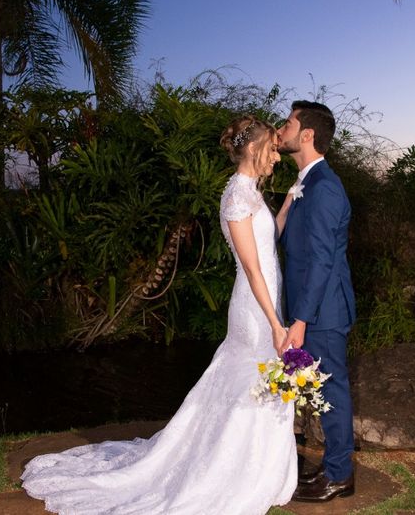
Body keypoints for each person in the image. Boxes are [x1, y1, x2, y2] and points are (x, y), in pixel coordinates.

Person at [21, 115, 296, 514]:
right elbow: (253, 269)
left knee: (253, 381)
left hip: (270, 299)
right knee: (248, 379)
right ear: (254, 149)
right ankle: (229, 470)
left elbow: (268, 242)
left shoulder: (252, 192)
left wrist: (288, 203)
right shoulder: (237, 196)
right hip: (256, 307)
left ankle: (258, 466)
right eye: (272, 148)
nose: (276, 156)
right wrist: (274, 323)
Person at [276, 100, 357, 502]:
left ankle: (340, 475)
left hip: (322, 311)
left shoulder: (324, 187)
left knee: (332, 392)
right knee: (319, 393)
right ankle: (330, 468)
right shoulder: (306, 183)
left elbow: (322, 261)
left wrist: (301, 319)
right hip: (310, 309)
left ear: (307, 134)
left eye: (288, 123)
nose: (282, 128)